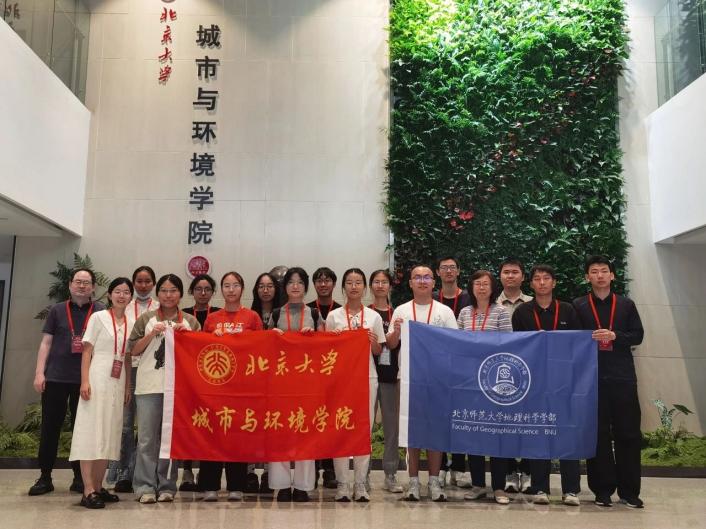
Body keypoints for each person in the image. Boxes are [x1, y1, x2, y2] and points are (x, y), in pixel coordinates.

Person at [573, 255, 645, 508]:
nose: (600, 275)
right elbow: (573, 339)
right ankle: (602, 490)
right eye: (594, 271)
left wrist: (615, 336)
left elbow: (638, 335)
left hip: (622, 377)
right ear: (587, 277)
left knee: (628, 433)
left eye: (604, 271)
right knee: (598, 434)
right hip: (591, 379)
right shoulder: (579, 305)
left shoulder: (626, 304)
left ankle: (629, 491)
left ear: (612, 275)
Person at [29, 268, 106, 496]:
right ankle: (45, 477)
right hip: (56, 378)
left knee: (81, 430)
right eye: (78, 281)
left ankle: (79, 478)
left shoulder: (101, 311)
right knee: (50, 427)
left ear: (93, 287)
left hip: (86, 381)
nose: (82, 286)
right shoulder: (57, 310)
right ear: (70, 285)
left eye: (86, 282)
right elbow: (46, 343)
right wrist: (39, 373)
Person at [511, 264, 582, 506]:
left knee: (566, 433)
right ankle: (540, 487)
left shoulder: (568, 310)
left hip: (564, 383)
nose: (542, 282)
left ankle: (571, 490)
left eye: (546, 278)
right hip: (535, 383)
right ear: (531, 284)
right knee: (538, 433)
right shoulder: (522, 312)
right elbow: (518, 348)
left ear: (554, 282)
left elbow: (578, 345)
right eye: (537, 279)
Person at [387, 264, 458, 502]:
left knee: (435, 428)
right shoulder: (401, 310)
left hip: (438, 379)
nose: (422, 281)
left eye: (427, 277)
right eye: (417, 277)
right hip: (408, 379)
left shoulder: (444, 311)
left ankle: (435, 480)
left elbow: (454, 343)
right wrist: (396, 332)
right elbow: (391, 344)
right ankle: (413, 481)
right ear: (410, 283)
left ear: (433, 282)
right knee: (412, 429)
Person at [128, 274, 200, 504]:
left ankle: (167, 486)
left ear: (181, 294)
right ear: (158, 294)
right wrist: (151, 334)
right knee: (147, 439)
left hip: (178, 389)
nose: (169, 295)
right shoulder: (146, 319)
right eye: (164, 291)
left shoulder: (189, 321)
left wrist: (188, 337)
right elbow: (133, 350)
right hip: (149, 386)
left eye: (173, 291)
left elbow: (199, 353)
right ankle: (144, 486)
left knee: (170, 439)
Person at [69, 277, 134, 508]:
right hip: (97, 377)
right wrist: (85, 381)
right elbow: (87, 351)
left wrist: (128, 386)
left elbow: (127, 357)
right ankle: (87, 490)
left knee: (109, 432)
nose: (121, 296)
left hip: (118, 380)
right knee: (91, 431)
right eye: (117, 291)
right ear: (109, 294)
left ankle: (98, 486)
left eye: (126, 292)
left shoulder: (131, 322)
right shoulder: (98, 317)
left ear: (130, 297)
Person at [198, 271, 264, 501]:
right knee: (213, 434)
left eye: (235, 285)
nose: (231, 289)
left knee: (237, 434)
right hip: (216, 386)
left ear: (242, 289)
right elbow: (200, 350)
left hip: (242, 387)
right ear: (221, 290)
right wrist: (211, 338)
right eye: (226, 285)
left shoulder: (252, 317)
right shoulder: (212, 318)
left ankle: (237, 484)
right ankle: (210, 485)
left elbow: (261, 347)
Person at [325, 268, 385, 502]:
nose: (353, 286)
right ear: (343, 287)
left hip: (367, 377)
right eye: (349, 282)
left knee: (363, 430)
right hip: (340, 380)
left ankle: (360, 484)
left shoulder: (373, 317)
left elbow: (378, 351)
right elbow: (327, 350)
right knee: (339, 428)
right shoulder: (334, 317)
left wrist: (372, 342)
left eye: (358, 282)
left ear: (364, 287)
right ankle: (342, 484)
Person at [266, 267, 322, 502]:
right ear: (285, 287)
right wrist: (272, 336)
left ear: (306, 287)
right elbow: (265, 348)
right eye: (291, 282)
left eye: (300, 282)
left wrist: (314, 336)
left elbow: (325, 348)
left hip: (307, 382)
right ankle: (281, 485)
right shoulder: (276, 313)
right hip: (280, 382)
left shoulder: (315, 314)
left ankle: (303, 485)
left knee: (305, 433)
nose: (295, 286)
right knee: (280, 431)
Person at [456, 270, 512, 504]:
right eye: (477, 283)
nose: (481, 287)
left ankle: (499, 487)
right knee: (474, 431)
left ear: (492, 287)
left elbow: (508, 344)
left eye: (485, 284)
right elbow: (457, 344)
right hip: (470, 381)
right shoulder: (464, 313)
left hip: (494, 381)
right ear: (471, 287)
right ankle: (478, 484)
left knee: (497, 433)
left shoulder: (501, 312)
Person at [110, 265, 159, 493]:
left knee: (148, 427)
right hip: (127, 369)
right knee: (126, 424)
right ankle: (124, 473)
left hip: (151, 370)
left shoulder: (160, 308)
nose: (143, 285)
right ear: (133, 283)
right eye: (139, 281)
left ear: (154, 283)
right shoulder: (124, 306)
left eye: (147, 281)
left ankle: (144, 473)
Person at [434, 257, 472, 488]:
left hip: (463, 367)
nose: (448, 271)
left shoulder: (468, 298)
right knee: (439, 418)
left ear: (458, 271)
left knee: (460, 417)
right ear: (438, 272)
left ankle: (458, 467)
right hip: (436, 367)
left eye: (452, 268)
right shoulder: (432, 298)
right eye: (444, 268)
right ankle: (439, 468)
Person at [180, 273, 221, 491]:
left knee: (210, 425)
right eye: (198, 289)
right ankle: (187, 471)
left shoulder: (219, 315)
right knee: (190, 423)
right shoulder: (183, 315)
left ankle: (208, 472)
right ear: (191, 292)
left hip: (214, 376)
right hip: (189, 375)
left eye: (207, 289)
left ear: (213, 292)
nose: (203, 293)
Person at [496, 258, 533, 493]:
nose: (510, 276)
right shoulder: (492, 303)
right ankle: (509, 471)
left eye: (515, 272)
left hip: (528, 370)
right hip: (500, 372)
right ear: (500, 276)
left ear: (523, 276)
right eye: (506, 272)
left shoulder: (531, 303)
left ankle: (527, 471)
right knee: (504, 423)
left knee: (527, 422)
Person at [247, 272, 283, 494]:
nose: (266, 290)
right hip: (252, 376)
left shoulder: (282, 313)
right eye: (261, 286)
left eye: (270, 286)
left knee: (272, 426)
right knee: (251, 425)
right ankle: (250, 472)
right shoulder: (249, 315)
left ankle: (270, 472)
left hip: (277, 377)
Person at [369, 269, 403, 494]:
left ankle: (390, 474)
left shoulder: (398, 313)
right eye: (376, 282)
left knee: (392, 427)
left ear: (390, 286)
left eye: (384, 282)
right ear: (370, 286)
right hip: (367, 375)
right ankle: (363, 474)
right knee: (366, 427)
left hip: (391, 376)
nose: (380, 285)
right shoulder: (365, 313)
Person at [307, 266, 341, 489]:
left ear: (334, 284)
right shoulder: (308, 310)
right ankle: (312, 469)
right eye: (319, 280)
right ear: (314, 285)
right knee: (313, 421)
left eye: (327, 280)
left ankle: (330, 469)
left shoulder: (341, 310)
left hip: (335, 374)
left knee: (330, 421)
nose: (323, 284)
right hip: (311, 373)